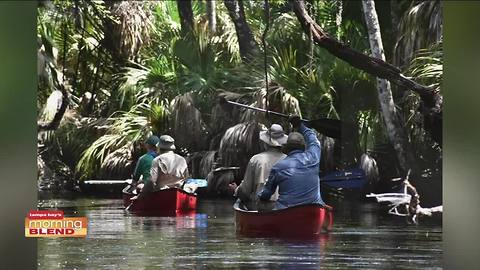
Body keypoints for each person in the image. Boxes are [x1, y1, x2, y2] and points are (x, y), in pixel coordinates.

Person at [258, 116, 325, 209]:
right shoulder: (314, 157)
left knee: (262, 206)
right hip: (314, 209)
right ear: (303, 147)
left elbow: (266, 194)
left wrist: (260, 196)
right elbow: (312, 138)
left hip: (286, 211)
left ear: (287, 148)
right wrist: (300, 125)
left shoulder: (278, 167)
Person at [230, 124, 287, 211]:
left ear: (265, 142)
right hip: (285, 207)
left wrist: (236, 190)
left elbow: (245, 191)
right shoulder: (289, 160)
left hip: (264, 207)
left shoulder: (256, 160)